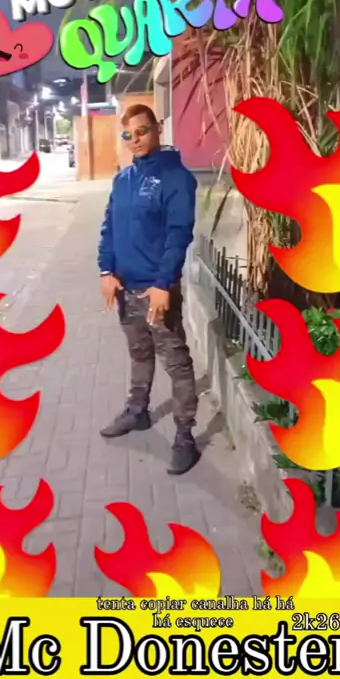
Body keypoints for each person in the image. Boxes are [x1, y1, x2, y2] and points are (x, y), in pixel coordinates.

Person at [98, 103, 200, 475]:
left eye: (142, 131)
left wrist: (163, 283)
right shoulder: (123, 180)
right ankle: (137, 411)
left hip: (156, 292)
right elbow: (109, 226)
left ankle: (185, 436)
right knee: (139, 354)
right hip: (126, 289)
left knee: (176, 363)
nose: (135, 139)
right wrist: (106, 270)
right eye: (128, 134)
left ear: (157, 128)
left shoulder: (176, 177)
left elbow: (178, 234)